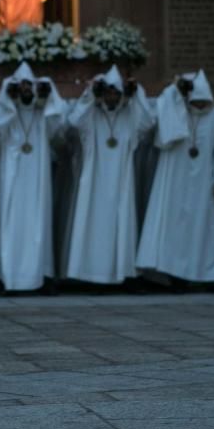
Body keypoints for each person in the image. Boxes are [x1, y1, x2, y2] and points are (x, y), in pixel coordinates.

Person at [136, 71, 214, 292]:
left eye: (203, 101)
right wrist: (175, 91)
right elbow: (161, 127)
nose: (200, 105)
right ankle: (177, 276)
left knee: (206, 229)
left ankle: (212, 276)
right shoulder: (175, 111)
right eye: (196, 101)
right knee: (175, 230)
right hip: (175, 183)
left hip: (203, 184)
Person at [64, 65, 155, 286]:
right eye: (108, 92)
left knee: (121, 225)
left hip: (121, 181)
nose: (112, 97)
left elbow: (148, 122)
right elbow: (74, 121)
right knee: (93, 225)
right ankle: (92, 276)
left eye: (116, 93)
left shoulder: (129, 115)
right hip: (94, 182)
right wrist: (89, 95)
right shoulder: (92, 115)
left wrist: (136, 95)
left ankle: (122, 275)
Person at [0, 62, 67, 293]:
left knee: (39, 224)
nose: (26, 91)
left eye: (29, 86)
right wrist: (8, 99)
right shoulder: (9, 114)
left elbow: (59, 123)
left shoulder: (42, 114)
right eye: (21, 87)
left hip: (37, 181)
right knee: (13, 224)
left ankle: (40, 277)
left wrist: (48, 94)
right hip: (14, 180)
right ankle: (12, 278)